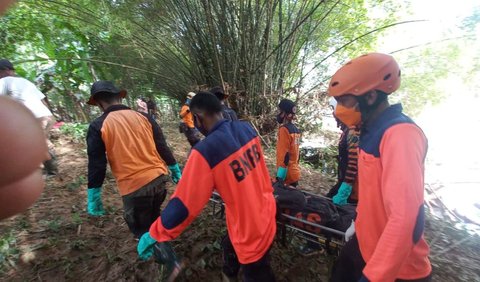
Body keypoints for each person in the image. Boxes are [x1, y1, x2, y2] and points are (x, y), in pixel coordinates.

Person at [137, 92, 276, 282]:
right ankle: (230, 272)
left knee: (258, 273)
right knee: (233, 246)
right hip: (266, 211)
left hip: (249, 229)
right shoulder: (246, 129)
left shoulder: (205, 151)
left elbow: (184, 205)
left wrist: (155, 233)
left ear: (198, 117)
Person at [328, 53, 431, 282]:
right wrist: (358, 223)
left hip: (397, 268)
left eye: (345, 101)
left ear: (371, 96)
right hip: (365, 244)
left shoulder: (401, 135)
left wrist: (376, 276)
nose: (340, 109)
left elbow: (406, 218)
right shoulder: (368, 130)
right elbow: (372, 193)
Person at [85, 80, 182, 240]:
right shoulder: (144, 117)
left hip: (135, 189)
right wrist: (174, 169)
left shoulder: (98, 125)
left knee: (143, 231)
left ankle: (166, 258)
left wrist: (94, 195)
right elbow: (162, 147)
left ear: (99, 104)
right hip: (159, 181)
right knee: (154, 217)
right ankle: (161, 244)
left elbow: (97, 164)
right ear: (120, 98)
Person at [0, 59, 58, 175]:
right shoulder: (26, 82)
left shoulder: (3, 81)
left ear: (5, 71)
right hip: (46, 116)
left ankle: (48, 171)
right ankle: (50, 170)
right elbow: (43, 101)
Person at [326, 109, 360, 206]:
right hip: (344, 182)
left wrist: (344, 192)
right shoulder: (346, 131)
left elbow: (354, 163)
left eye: (339, 121)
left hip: (351, 190)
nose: (338, 125)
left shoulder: (353, 132)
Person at [275, 99, 301, 187]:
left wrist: (280, 177)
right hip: (294, 173)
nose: (278, 114)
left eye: (279, 111)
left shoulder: (284, 130)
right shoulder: (296, 130)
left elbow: (284, 156)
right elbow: (297, 155)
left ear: (285, 113)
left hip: (287, 176)